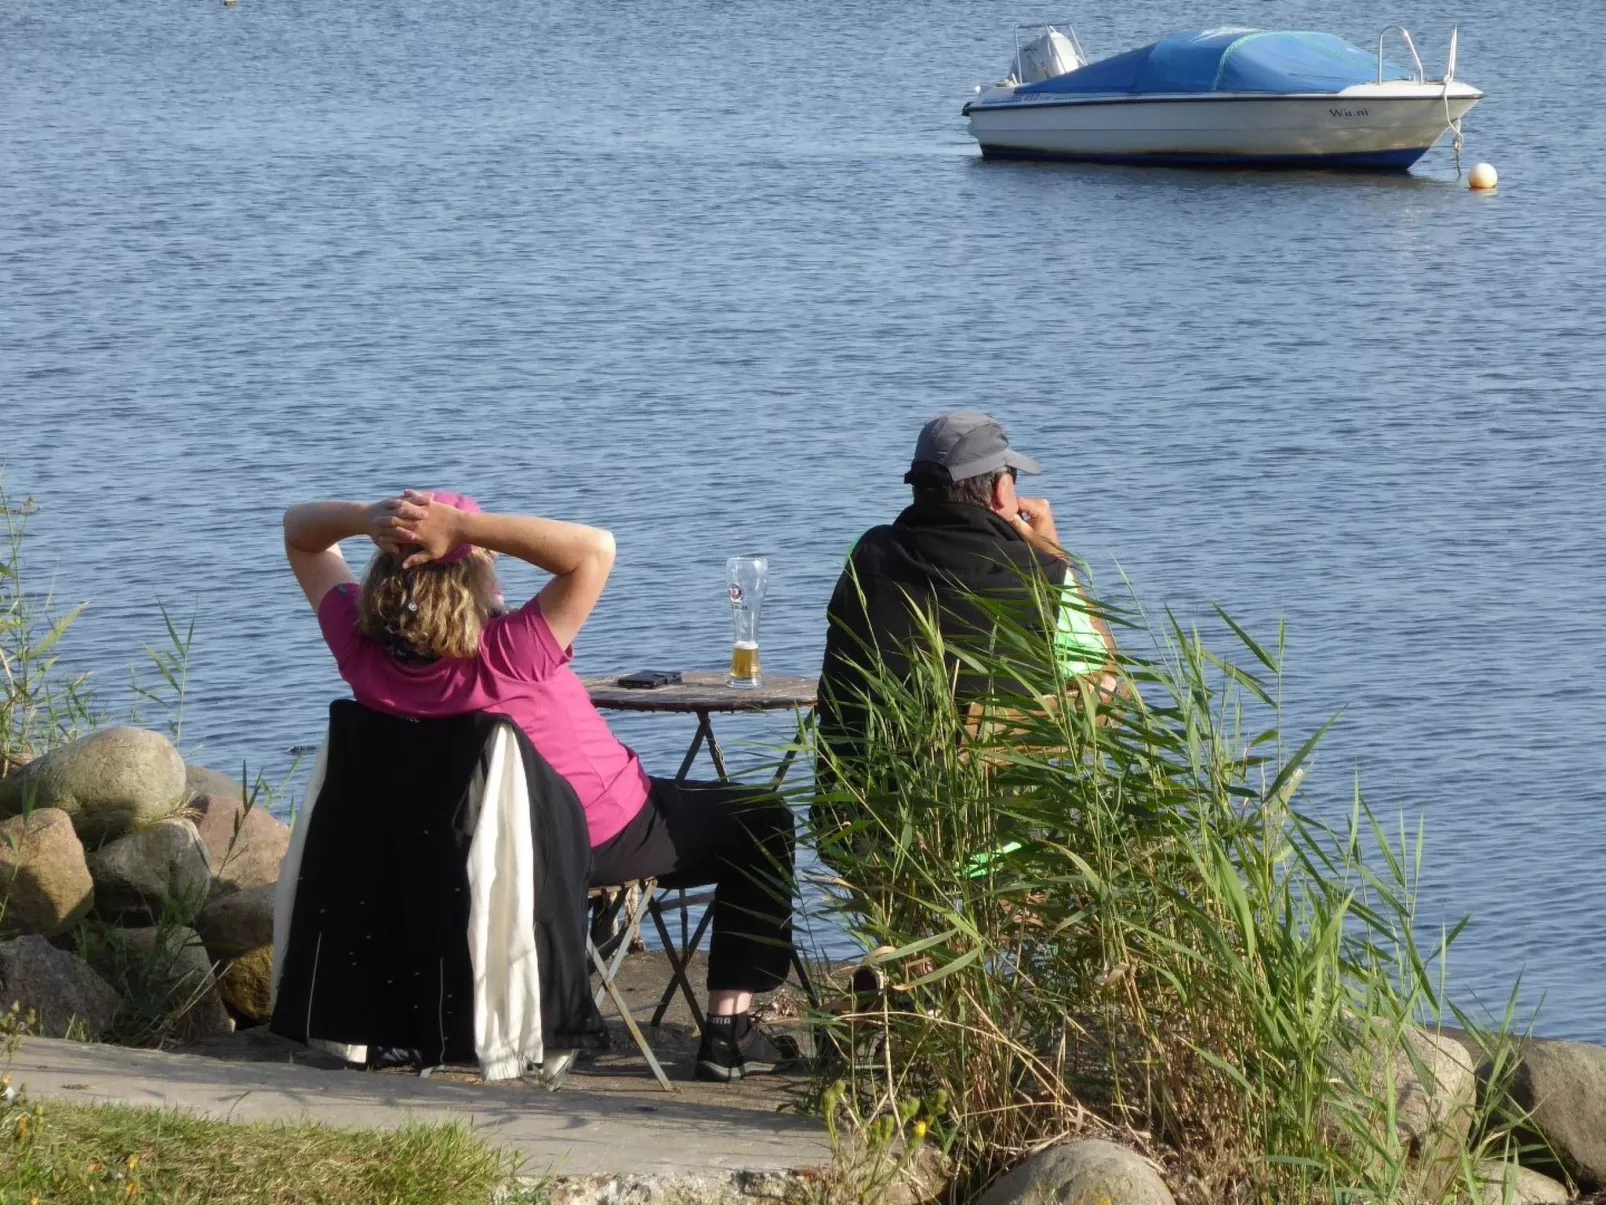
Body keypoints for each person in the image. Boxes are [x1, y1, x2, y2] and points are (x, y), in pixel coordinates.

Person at [282, 488, 796, 1083]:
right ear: (477, 570)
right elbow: (595, 550)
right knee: (761, 817)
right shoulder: (510, 652)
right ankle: (729, 1037)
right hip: (590, 836)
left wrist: (366, 518)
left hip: (452, 857)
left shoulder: (359, 650)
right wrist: (469, 528)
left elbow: (299, 531)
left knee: (703, 803)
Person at [817, 410, 1118, 773]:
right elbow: (1108, 690)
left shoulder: (867, 555)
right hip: (997, 820)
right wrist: (1053, 553)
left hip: (865, 809)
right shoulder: (1044, 575)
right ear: (1002, 491)